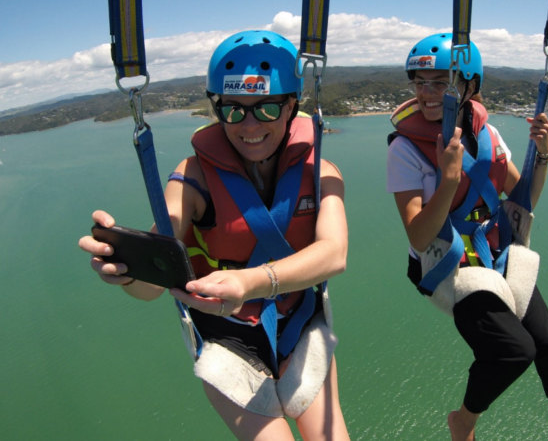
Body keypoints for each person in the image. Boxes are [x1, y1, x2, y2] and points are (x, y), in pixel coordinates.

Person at [79, 30, 350, 440]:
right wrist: (128, 268)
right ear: (217, 109)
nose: (250, 125)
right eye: (234, 110)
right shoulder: (192, 181)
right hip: (229, 342)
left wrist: (248, 281)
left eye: (267, 109)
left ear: (292, 106)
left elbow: (334, 254)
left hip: (300, 327)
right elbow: (152, 286)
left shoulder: (319, 172)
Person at [386, 33, 548, 441]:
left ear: (469, 86)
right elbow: (417, 235)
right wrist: (447, 179)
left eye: (441, 83)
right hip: (446, 263)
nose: (428, 93)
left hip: (494, 253)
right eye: (420, 82)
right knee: (513, 350)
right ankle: (463, 421)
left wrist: (544, 153)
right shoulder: (405, 149)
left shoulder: (488, 135)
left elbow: (522, 199)